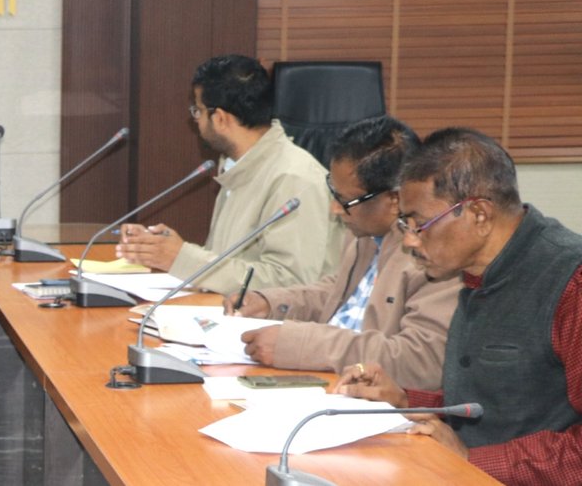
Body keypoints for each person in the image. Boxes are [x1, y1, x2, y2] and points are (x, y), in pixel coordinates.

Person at [336, 128, 582, 485]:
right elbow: (497, 402)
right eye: (405, 224)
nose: (409, 241)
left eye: (420, 225)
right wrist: (405, 400)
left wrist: (471, 459)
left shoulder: (571, 283)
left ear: (479, 214)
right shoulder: (476, 272)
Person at [225, 116, 458, 388]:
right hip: (330, 379)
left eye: (346, 201)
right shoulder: (365, 234)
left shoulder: (433, 253)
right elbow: (338, 293)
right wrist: (271, 303)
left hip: (366, 395)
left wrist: (301, 344)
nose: (335, 210)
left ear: (395, 199)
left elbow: (419, 360)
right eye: (334, 194)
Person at [116, 54, 341, 293]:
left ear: (220, 118)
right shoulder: (239, 166)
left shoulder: (294, 179)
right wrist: (163, 248)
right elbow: (228, 262)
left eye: (198, 111)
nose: (196, 121)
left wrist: (181, 258)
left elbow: (288, 284)